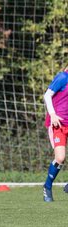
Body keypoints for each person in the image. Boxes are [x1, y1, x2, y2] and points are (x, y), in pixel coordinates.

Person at [43, 65, 68, 202]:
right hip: (58, 124)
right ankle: (47, 186)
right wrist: (52, 114)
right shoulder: (63, 77)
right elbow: (47, 94)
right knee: (60, 158)